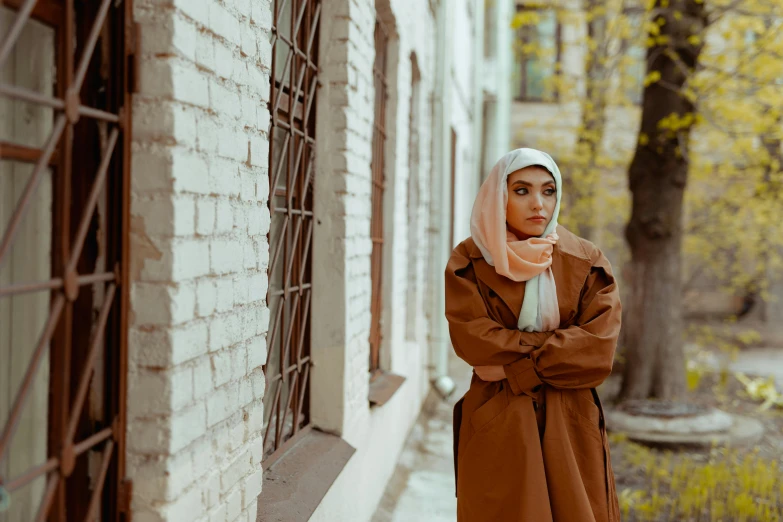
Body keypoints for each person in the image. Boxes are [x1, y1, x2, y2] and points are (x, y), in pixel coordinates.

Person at [445, 148, 622, 521]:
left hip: (569, 419)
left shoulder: (586, 260)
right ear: (498, 196)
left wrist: (514, 369)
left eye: (548, 190)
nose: (537, 204)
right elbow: (474, 343)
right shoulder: (470, 261)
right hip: (499, 413)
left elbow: (597, 352)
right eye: (521, 190)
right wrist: (561, 346)